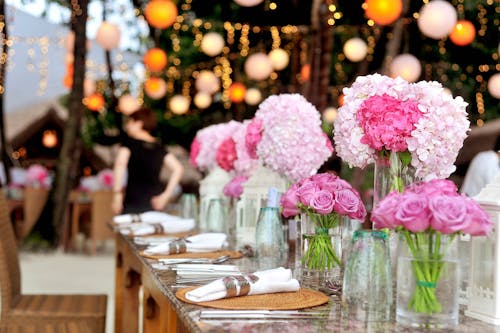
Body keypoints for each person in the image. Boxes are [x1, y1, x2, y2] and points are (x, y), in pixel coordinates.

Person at [112, 108, 184, 214]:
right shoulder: (158, 146)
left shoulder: (129, 143)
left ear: (139, 124)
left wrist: (117, 194)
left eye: (130, 122)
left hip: (134, 203)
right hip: (156, 202)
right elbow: (178, 169)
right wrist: (166, 196)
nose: (127, 126)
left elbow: (120, 164)